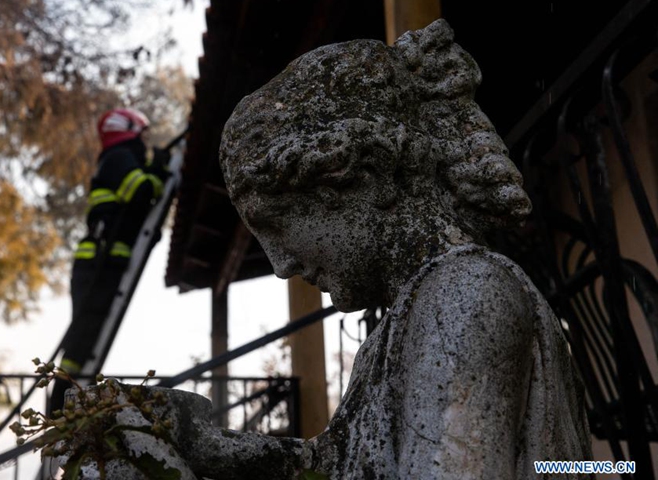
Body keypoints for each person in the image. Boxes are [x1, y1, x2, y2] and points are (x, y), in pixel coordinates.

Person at [99, 20, 589, 480]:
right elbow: (337, 462)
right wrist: (208, 446)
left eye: (277, 226)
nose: (280, 264)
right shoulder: (396, 330)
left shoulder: (465, 297)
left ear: (363, 178)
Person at [50, 107, 170, 414]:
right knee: (82, 339)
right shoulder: (119, 158)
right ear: (127, 131)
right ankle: (60, 407)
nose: (145, 144)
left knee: (83, 337)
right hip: (98, 265)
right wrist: (157, 171)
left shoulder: (115, 158)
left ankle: (63, 403)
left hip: (98, 264)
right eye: (141, 136)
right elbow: (140, 191)